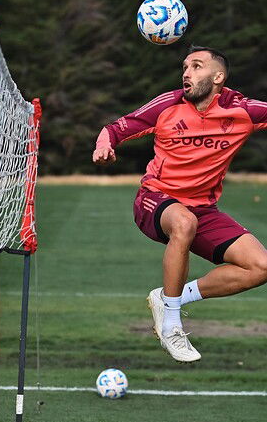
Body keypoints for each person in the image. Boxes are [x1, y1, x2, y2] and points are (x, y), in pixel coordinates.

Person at [92, 45, 267, 363]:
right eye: (185, 67)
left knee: (260, 266)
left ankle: (169, 298)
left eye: (197, 66)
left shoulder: (242, 109)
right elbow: (116, 129)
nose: (187, 73)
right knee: (184, 222)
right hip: (155, 199)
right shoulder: (168, 105)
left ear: (218, 77)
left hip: (204, 209)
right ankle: (172, 325)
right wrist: (104, 145)